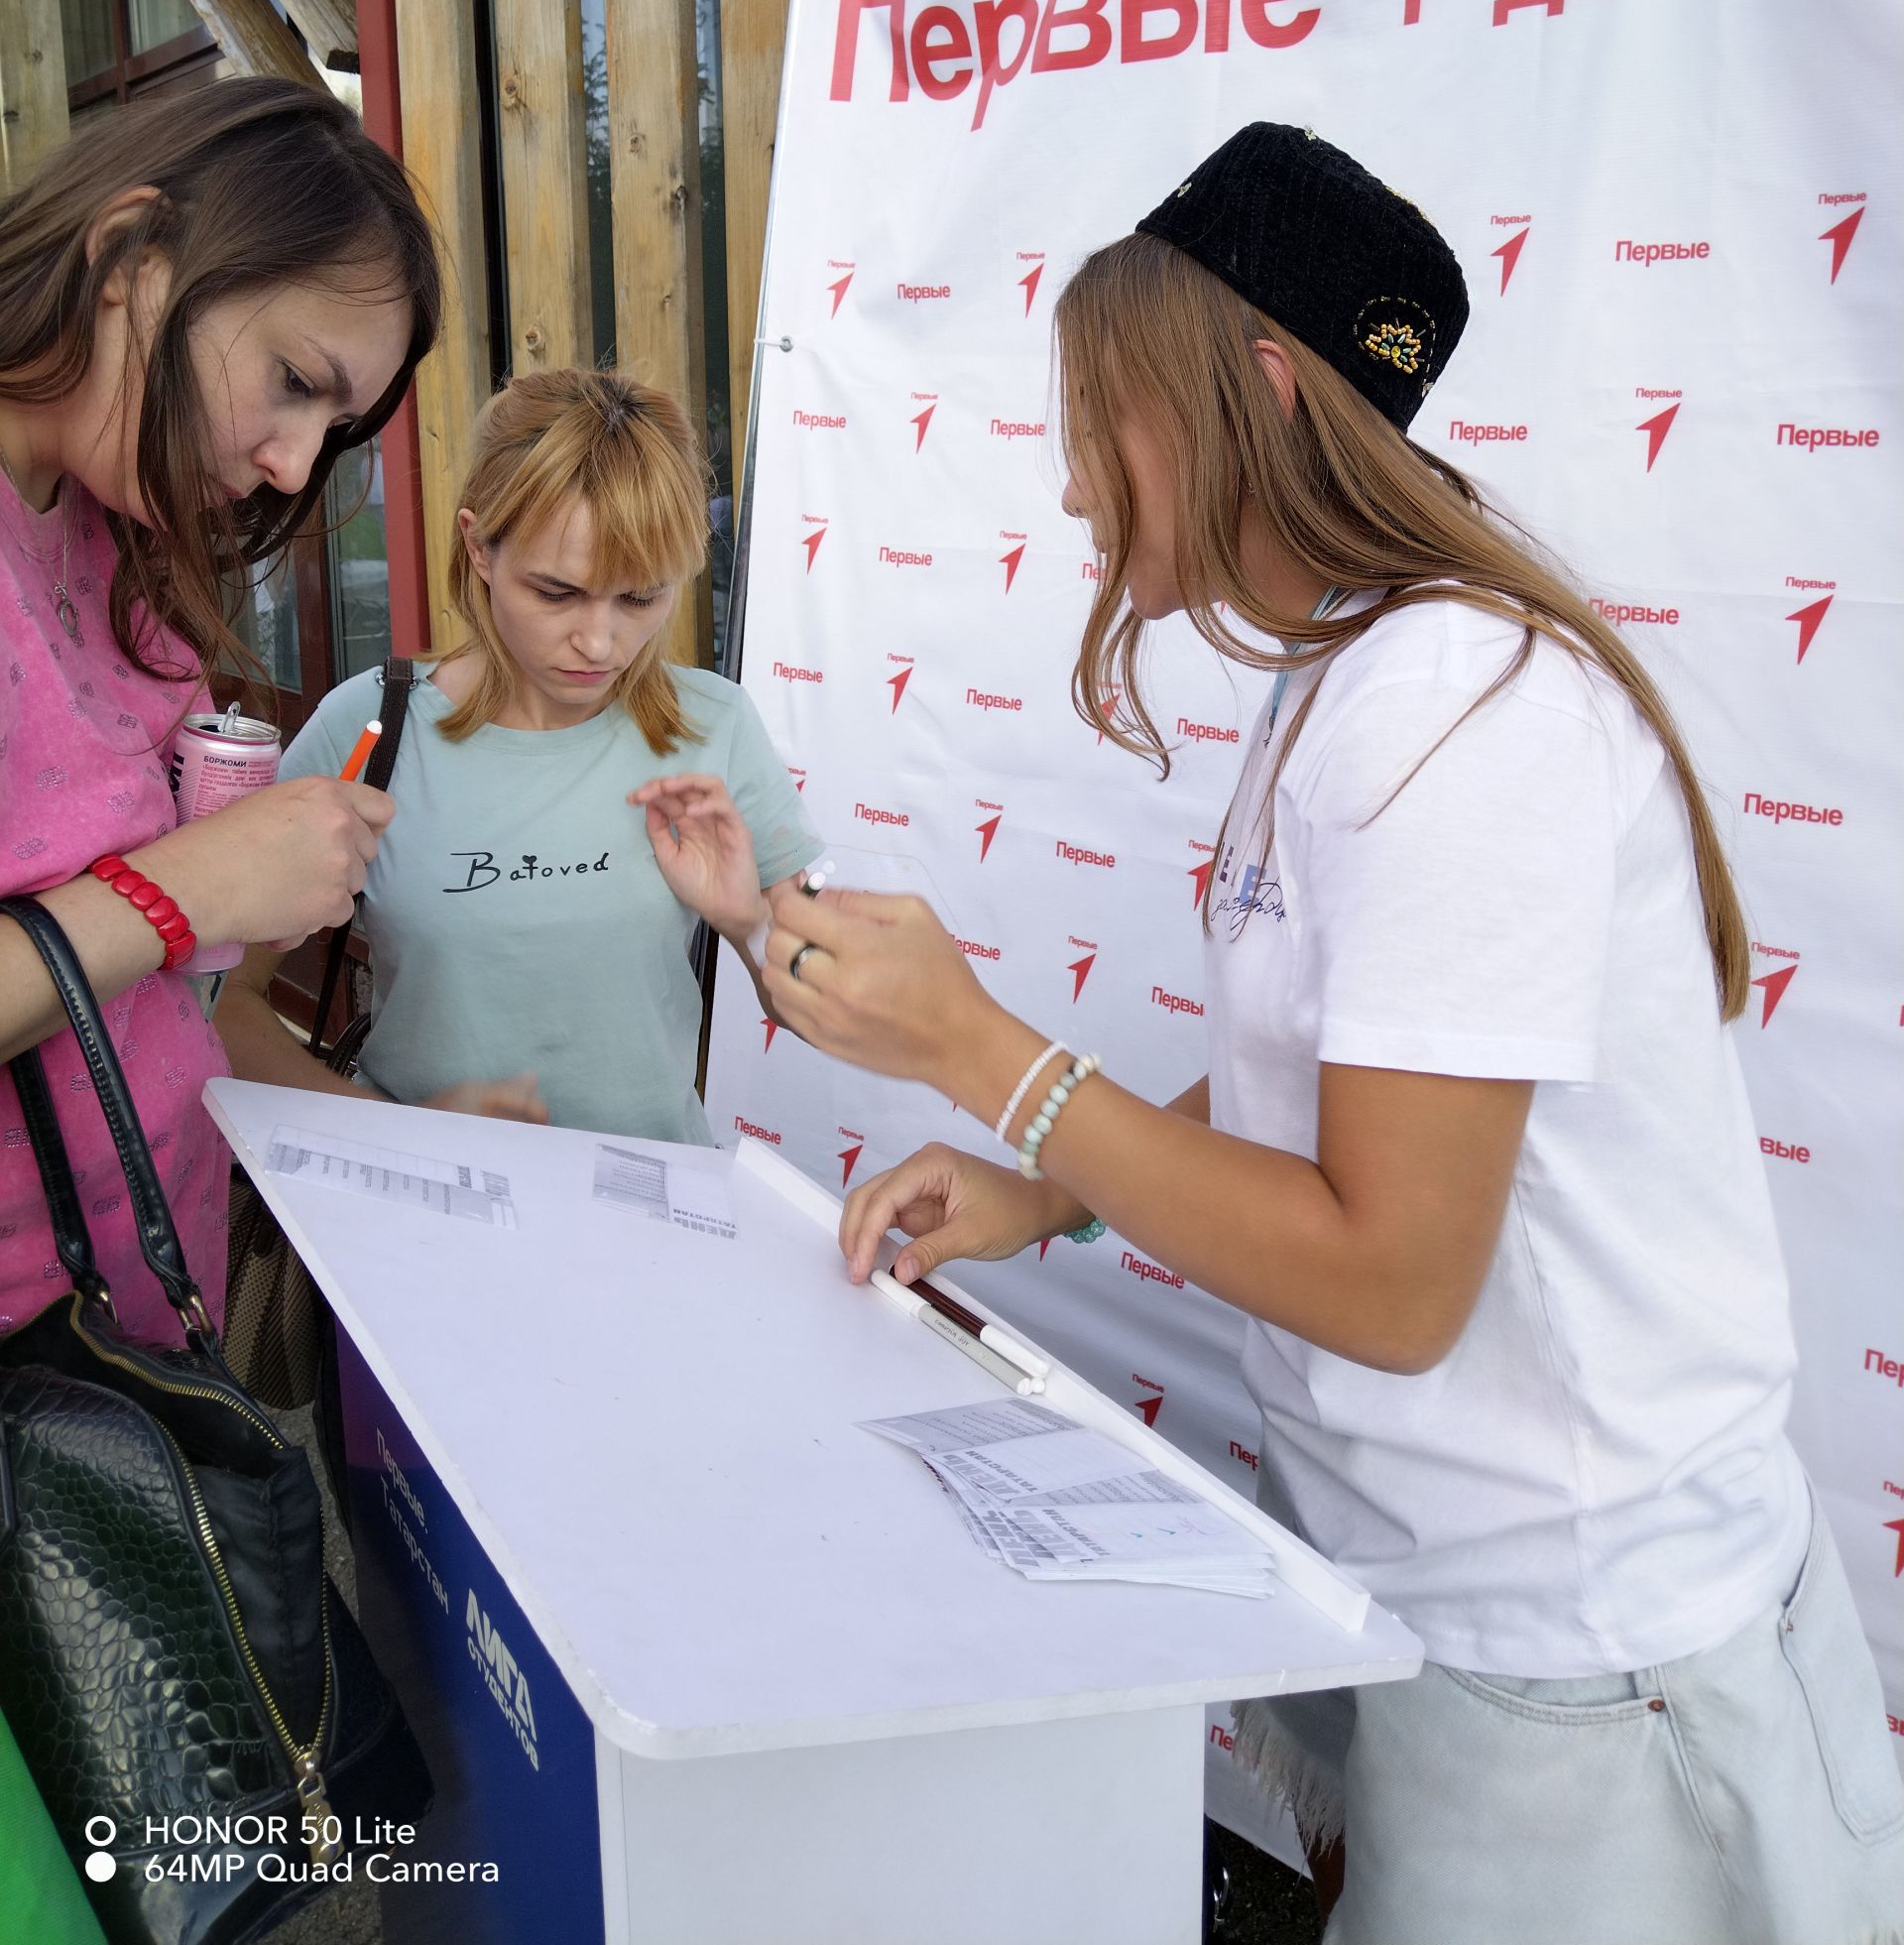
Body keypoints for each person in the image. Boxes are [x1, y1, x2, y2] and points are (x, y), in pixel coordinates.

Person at [762, 124, 1904, 1944]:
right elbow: (1339, 1077)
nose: (1071, 489)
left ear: (1262, 395)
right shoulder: (1356, 681)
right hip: (1430, 1604)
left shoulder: (1464, 714)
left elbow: (1392, 1279)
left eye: (1098, 419)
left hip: (1587, 1672)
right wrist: (1039, 1194)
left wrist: (982, 1049)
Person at [0, 76, 441, 1347]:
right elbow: (160, 900)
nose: (297, 466)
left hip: (142, 1308)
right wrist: (183, 887)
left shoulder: (107, 518)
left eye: (336, 425)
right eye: (295, 380)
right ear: (132, 256)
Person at [216, 368, 819, 1142]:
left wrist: (746, 923)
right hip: (419, 1214)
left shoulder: (715, 726)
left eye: (640, 597)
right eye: (557, 592)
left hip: (651, 1213)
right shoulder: (368, 728)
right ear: (479, 546)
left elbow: (813, 1016)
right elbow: (227, 1001)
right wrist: (396, 1134)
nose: (600, 643)